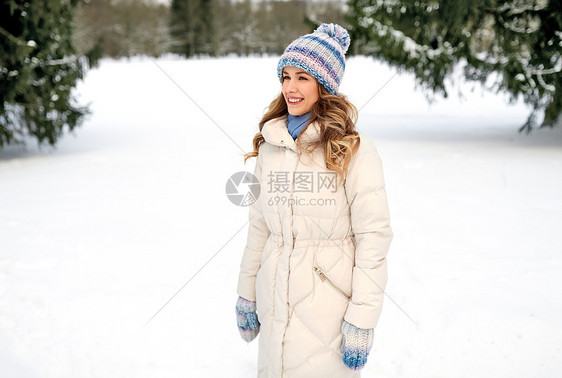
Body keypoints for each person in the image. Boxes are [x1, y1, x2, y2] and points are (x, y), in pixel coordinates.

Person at [235, 23, 393, 377]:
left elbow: (373, 236)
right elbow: (259, 227)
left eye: (303, 77)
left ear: (324, 85)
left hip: (328, 311)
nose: (291, 87)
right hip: (275, 302)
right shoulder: (271, 146)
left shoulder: (354, 149)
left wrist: (362, 318)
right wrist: (248, 292)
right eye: (286, 76)